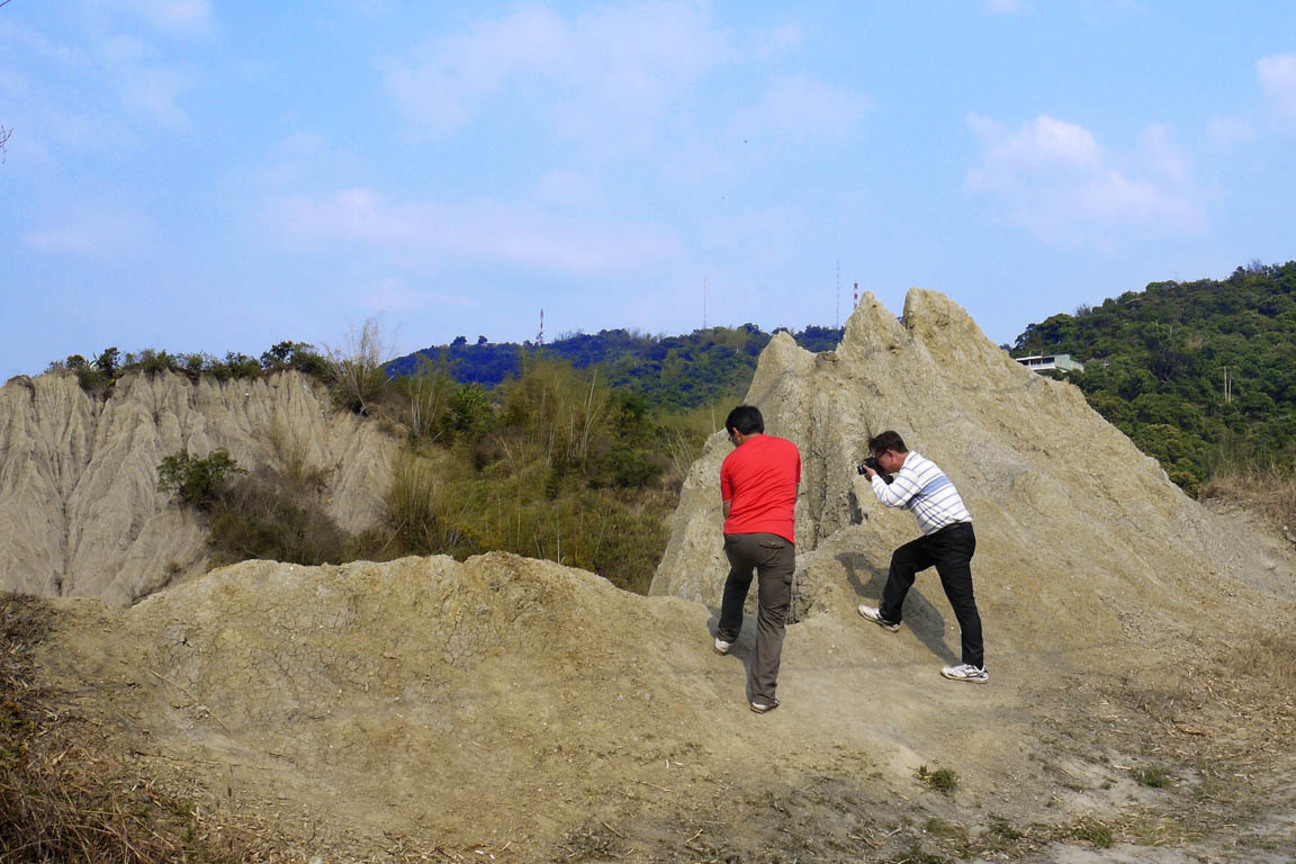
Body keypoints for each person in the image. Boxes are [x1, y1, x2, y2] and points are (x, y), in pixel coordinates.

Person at [857, 430, 988, 684]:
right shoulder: (918, 467)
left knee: (963, 602)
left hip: (952, 539)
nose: (879, 464)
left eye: (878, 458)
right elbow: (906, 501)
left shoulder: (912, 470)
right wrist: (882, 479)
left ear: (889, 454)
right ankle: (889, 616)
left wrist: (875, 479)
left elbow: (891, 500)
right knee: (903, 558)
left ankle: (975, 666)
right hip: (943, 537)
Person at [713, 405, 801, 714]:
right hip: (776, 539)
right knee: (772, 618)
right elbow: (794, 491)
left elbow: (727, 509)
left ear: (736, 433)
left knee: (739, 576)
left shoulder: (729, 462)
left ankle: (724, 637)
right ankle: (763, 696)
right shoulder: (790, 449)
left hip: (738, 538)